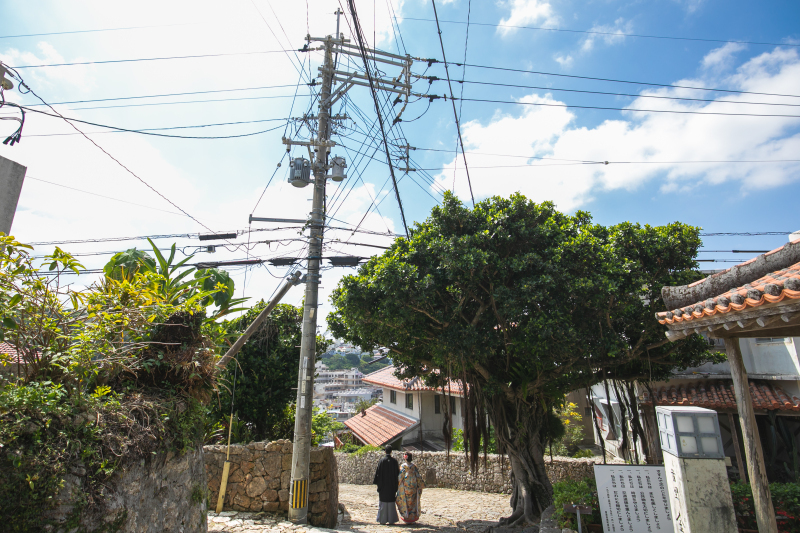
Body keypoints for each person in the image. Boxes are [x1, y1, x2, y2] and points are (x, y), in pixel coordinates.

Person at [373, 444, 400, 525]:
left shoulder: (381, 461)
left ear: (385, 451)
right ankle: (392, 519)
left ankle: (382, 519)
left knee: (383, 502)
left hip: (383, 486)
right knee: (391, 502)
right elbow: (397, 474)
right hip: (392, 486)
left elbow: (378, 474)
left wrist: (378, 484)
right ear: (391, 451)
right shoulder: (394, 462)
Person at [396, 452, 425, 523]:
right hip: (413, 487)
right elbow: (418, 476)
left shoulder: (403, 466)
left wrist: (397, 484)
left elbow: (400, 477)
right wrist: (420, 485)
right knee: (413, 502)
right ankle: (412, 517)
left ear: (405, 458)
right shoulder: (414, 467)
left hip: (406, 487)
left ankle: (407, 517)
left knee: (406, 502)